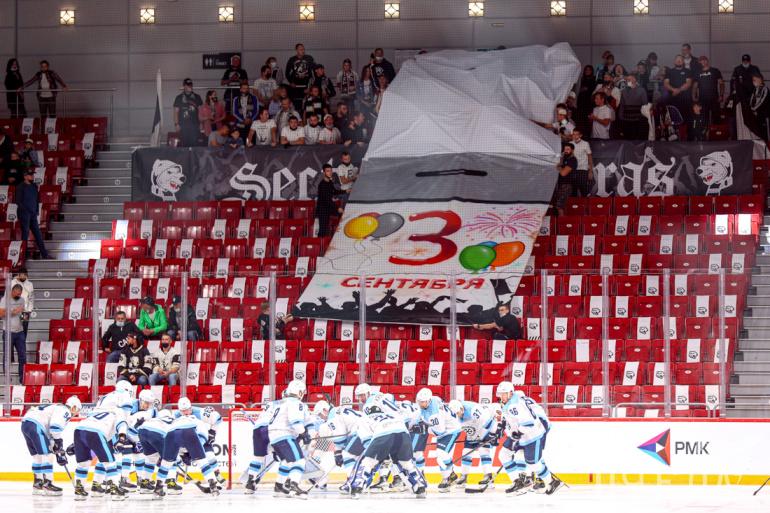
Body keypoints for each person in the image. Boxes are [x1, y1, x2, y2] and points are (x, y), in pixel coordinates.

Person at [496, 382, 561, 495]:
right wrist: (503, 426)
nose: (502, 396)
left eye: (504, 394)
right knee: (504, 454)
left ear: (511, 393)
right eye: (500, 394)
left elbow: (529, 423)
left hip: (532, 434)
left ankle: (552, 481)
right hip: (521, 433)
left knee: (532, 463)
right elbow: (511, 418)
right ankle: (518, 481)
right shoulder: (512, 401)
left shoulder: (516, 404)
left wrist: (518, 432)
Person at [73, 386, 133, 500]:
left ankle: (79, 490)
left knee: (83, 463)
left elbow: (87, 424)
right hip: (96, 432)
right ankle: (114, 489)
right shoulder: (119, 411)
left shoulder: (97, 409)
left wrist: (73, 444)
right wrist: (121, 440)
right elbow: (122, 425)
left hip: (79, 430)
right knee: (110, 462)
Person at [22, 397, 81, 495]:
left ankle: (38, 483)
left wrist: (56, 445)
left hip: (26, 423)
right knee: (48, 455)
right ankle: (48, 484)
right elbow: (55, 428)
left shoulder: (55, 407)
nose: (76, 413)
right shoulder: (65, 410)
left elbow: (51, 432)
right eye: (77, 410)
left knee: (37, 456)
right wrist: (58, 444)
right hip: (36, 425)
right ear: (73, 407)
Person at [266, 380, 310, 497]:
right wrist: (304, 434)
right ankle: (294, 485)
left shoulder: (280, 403)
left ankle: (279, 485)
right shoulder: (296, 403)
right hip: (285, 435)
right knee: (299, 461)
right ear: (299, 392)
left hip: (273, 436)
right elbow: (295, 421)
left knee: (286, 461)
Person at [415, 387, 462, 491]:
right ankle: (450, 475)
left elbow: (439, 432)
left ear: (428, 401)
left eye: (423, 402)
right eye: (419, 401)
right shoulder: (434, 399)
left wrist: (425, 428)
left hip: (451, 430)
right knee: (440, 455)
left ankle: (448, 476)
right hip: (445, 428)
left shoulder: (435, 414)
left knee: (440, 453)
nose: (420, 404)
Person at [447, 400, 498, 487]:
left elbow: (488, 422)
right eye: (455, 414)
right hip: (471, 432)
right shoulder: (453, 413)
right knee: (466, 453)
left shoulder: (473, 410)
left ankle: (488, 476)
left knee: (484, 451)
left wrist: (492, 434)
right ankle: (464, 477)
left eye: (458, 413)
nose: (457, 415)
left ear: (461, 409)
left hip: (483, 430)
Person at [16, 169, 51, 259]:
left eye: (32, 174)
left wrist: (36, 211)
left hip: (33, 214)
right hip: (24, 214)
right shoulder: (20, 187)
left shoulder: (34, 186)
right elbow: (18, 201)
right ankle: (24, 255)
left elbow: (37, 200)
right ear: (25, 176)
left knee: (38, 234)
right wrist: (26, 211)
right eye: (30, 175)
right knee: (25, 234)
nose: (32, 176)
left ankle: (44, 255)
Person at [1, 284, 26, 381]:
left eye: (20, 294)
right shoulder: (5, 300)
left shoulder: (22, 300)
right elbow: (1, 313)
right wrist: (13, 312)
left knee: (22, 356)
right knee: (7, 356)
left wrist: (25, 316)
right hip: (8, 332)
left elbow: (22, 315)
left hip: (20, 332)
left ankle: (22, 378)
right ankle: (7, 378)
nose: (18, 296)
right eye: (17, 294)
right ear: (12, 291)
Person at [694, 56, 724, 126]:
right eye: (701, 61)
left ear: (707, 61)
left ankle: (717, 131)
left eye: (704, 60)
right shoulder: (697, 72)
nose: (703, 62)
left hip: (714, 98)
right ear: (699, 62)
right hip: (702, 99)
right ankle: (705, 132)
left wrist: (721, 95)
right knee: (704, 119)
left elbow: (721, 83)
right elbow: (694, 86)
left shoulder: (715, 70)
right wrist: (694, 97)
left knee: (716, 118)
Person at [316, 164, 344, 237]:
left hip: (328, 207)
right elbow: (327, 200)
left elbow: (334, 192)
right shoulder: (322, 185)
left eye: (331, 171)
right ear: (324, 173)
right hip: (322, 209)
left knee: (342, 214)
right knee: (323, 230)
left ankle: (339, 234)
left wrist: (345, 191)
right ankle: (320, 242)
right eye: (328, 171)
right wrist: (337, 208)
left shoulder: (330, 182)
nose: (330, 172)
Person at [617, 74, 649, 140]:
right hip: (626, 119)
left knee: (636, 139)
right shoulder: (624, 91)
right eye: (626, 80)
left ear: (634, 80)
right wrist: (620, 117)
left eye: (629, 80)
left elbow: (645, 104)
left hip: (637, 120)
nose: (627, 81)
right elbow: (622, 105)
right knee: (627, 139)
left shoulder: (641, 90)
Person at [663, 55, 693, 122]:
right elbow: (666, 84)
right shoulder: (669, 72)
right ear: (674, 61)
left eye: (680, 60)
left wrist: (678, 90)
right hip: (673, 100)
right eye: (677, 60)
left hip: (686, 100)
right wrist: (674, 90)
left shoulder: (688, 71)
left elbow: (688, 83)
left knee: (686, 121)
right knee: (674, 120)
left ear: (683, 62)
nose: (679, 61)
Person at [173, 78, 203, 147]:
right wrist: (176, 124)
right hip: (183, 126)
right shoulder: (179, 98)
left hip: (195, 126)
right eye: (188, 85)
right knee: (184, 145)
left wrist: (201, 123)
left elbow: (200, 111)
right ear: (184, 86)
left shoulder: (197, 97)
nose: (190, 86)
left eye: (191, 85)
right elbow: (175, 112)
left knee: (195, 145)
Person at [286, 43, 315, 111]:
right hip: (296, 86)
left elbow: (313, 71)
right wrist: (291, 82)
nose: (303, 51)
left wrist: (310, 86)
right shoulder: (292, 59)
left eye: (303, 49)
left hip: (306, 86)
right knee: (297, 104)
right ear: (296, 50)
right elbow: (287, 73)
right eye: (301, 49)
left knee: (308, 104)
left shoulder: (309, 58)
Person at [570, 129, 593, 197]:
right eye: (573, 134)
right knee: (573, 191)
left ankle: (584, 203)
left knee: (583, 190)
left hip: (583, 169)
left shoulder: (585, 144)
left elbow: (590, 157)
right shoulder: (570, 143)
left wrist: (590, 171)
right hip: (573, 170)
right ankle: (574, 204)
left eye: (577, 134)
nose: (575, 136)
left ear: (580, 135)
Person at [11, 268, 34, 336]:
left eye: (24, 275)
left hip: (25, 310)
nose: (22, 276)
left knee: (24, 327)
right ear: (18, 275)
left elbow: (31, 298)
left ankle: (23, 341)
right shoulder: (13, 282)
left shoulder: (30, 284)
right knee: (15, 327)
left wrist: (30, 309)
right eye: (21, 274)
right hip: (15, 309)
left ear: (26, 275)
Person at [749, 72, 770, 141]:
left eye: (754, 80)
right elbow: (751, 100)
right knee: (758, 132)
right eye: (753, 80)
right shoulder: (755, 89)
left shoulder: (765, 89)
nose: (753, 82)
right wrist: (751, 108)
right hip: (756, 115)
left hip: (764, 115)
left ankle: (767, 143)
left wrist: (754, 109)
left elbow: (762, 101)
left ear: (760, 80)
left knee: (765, 132)